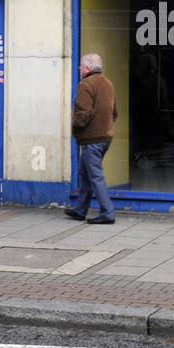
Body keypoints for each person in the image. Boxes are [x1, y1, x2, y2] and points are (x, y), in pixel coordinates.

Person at [66, 52, 118, 224]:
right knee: (85, 173)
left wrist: (75, 127)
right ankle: (81, 209)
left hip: (91, 139)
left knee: (95, 176)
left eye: (81, 65)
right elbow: (114, 112)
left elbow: (83, 113)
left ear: (87, 68)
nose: (80, 68)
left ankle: (107, 213)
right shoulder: (108, 84)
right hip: (105, 137)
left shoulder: (85, 84)